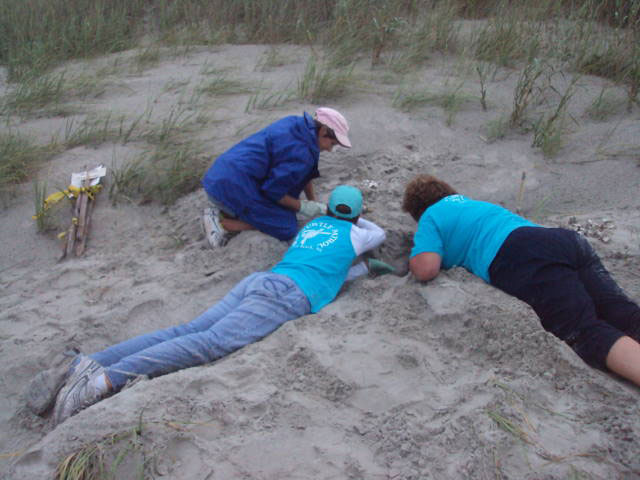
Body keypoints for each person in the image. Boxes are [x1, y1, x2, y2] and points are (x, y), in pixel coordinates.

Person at [40, 186, 391, 425]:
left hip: (262, 279)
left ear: (329, 208)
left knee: (189, 330)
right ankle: (104, 380)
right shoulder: (359, 232)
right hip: (288, 293)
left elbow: (334, 267)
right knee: (209, 344)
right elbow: (379, 233)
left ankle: (90, 363)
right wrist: (357, 222)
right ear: (356, 215)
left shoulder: (314, 225)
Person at [402, 174, 640, 387]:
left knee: (584, 330)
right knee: (620, 311)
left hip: (520, 256)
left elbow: (426, 268)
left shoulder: (430, 215)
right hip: (559, 240)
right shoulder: (475, 204)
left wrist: (412, 258)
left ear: (417, 211)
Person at [201, 107, 351, 247]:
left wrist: (314, 202)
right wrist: (304, 207)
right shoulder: (303, 153)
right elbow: (273, 192)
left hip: (220, 174)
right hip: (229, 188)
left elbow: (305, 172)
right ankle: (223, 224)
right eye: (332, 143)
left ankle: (230, 212)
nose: (330, 149)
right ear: (323, 130)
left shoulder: (297, 125)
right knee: (287, 226)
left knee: (288, 205)